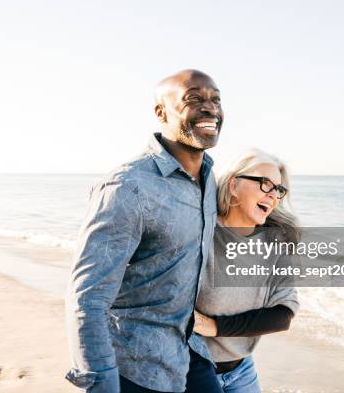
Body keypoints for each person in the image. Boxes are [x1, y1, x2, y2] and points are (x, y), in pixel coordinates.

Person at [65, 69, 225, 392]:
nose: (210, 108)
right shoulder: (127, 187)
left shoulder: (208, 180)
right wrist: (101, 382)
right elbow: (86, 298)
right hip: (133, 365)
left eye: (215, 99)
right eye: (194, 98)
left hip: (186, 350)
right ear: (161, 112)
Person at [192, 148, 300, 393]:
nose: (273, 196)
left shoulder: (275, 245)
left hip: (241, 370)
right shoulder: (201, 234)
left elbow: (282, 315)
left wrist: (214, 326)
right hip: (191, 367)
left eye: (279, 190)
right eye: (265, 184)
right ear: (233, 185)